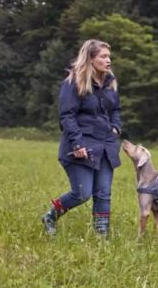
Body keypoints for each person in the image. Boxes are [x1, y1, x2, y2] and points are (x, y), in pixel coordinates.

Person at [41, 39, 123, 238]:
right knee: (82, 194)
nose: (108, 60)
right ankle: (50, 216)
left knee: (104, 193)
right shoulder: (73, 82)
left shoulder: (109, 81)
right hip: (80, 146)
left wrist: (116, 128)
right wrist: (77, 143)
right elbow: (66, 116)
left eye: (108, 56)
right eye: (103, 56)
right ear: (91, 58)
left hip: (106, 146)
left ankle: (101, 237)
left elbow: (115, 110)